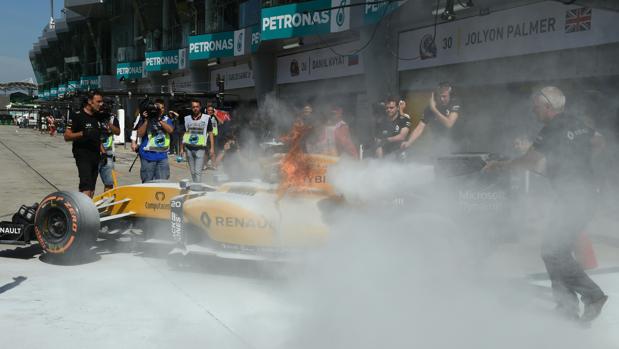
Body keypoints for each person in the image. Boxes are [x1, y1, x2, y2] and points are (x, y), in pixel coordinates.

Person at [484, 86, 607, 323]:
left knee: (554, 251)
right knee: (554, 250)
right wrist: (579, 162)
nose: (533, 110)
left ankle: (593, 296)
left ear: (549, 107)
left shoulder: (551, 130)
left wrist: (499, 166)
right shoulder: (576, 122)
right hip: (581, 196)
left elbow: (529, 161)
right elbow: (600, 141)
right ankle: (566, 306)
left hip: (574, 198)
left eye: (536, 107)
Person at [401, 82, 460, 154]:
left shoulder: (454, 103)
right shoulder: (430, 108)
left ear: (449, 95)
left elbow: (449, 124)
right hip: (439, 144)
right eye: (440, 96)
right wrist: (409, 142)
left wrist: (434, 109)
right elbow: (420, 127)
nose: (442, 99)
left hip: (457, 143)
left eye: (444, 96)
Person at [64, 91, 104, 197]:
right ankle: (83, 211)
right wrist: (82, 133)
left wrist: (103, 153)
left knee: (91, 189)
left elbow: (97, 139)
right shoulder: (77, 115)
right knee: (85, 187)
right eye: (98, 101)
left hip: (96, 156)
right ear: (90, 102)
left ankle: (87, 210)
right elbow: (67, 136)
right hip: (83, 155)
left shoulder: (98, 117)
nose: (101, 104)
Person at [136, 98, 174, 182]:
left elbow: (170, 130)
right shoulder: (144, 118)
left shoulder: (166, 119)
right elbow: (140, 134)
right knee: (147, 182)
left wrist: (159, 120)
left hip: (162, 156)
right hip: (147, 156)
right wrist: (146, 120)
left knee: (163, 183)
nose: (160, 110)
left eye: (162, 108)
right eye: (158, 107)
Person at [180, 99, 215, 183]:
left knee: (198, 171)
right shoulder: (187, 119)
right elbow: (183, 134)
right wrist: (181, 148)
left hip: (200, 148)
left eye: (197, 107)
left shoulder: (207, 118)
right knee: (192, 172)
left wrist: (212, 148)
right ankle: (195, 185)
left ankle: (198, 188)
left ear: (200, 107)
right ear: (191, 108)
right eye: (193, 107)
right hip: (188, 148)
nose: (195, 108)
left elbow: (210, 133)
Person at [97, 105, 121, 192]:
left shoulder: (112, 118)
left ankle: (107, 203)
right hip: (93, 154)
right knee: (89, 184)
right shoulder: (93, 117)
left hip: (108, 155)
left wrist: (108, 123)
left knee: (109, 183)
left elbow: (118, 132)